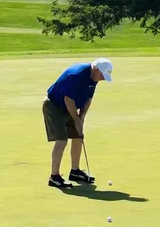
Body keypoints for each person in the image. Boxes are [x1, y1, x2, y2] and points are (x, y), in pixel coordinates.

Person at [43, 58, 113, 189]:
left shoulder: (94, 77)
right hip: (54, 106)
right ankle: (54, 177)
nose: (103, 78)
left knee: (78, 137)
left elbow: (88, 98)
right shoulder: (77, 74)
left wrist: (82, 117)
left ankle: (75, 171)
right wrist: (76, 119)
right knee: (61, 140)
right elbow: (68, 99)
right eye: (103, 75)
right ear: (95, 68)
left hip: (71, 107)